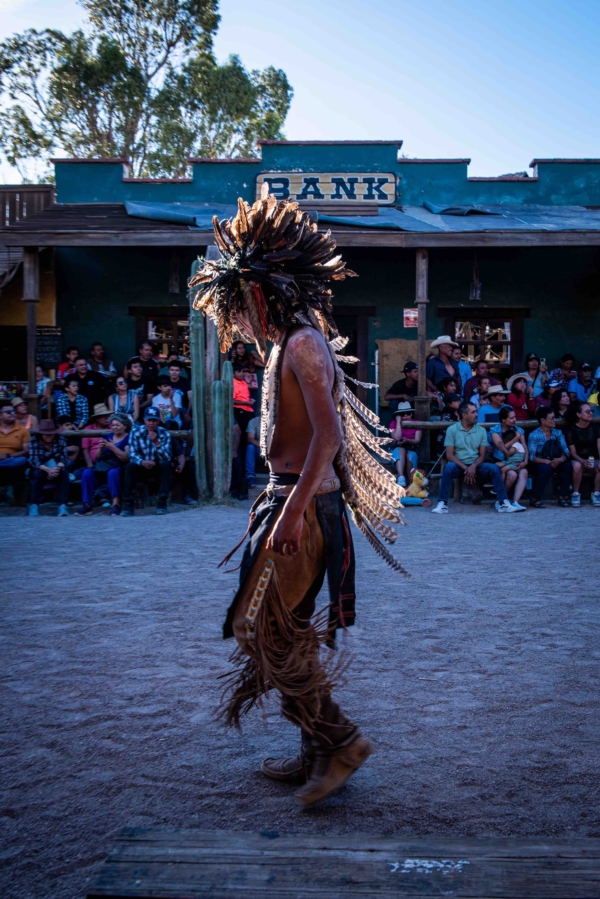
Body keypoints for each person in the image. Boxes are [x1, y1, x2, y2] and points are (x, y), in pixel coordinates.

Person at [188, 195, 403, 808]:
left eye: (243, 299)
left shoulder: (305, 344)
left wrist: (290, 511)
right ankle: (316, 751)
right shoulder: (286, 342)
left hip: (303, 509)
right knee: (285, 630)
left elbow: (328, 437)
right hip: (293, 501)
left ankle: (340, 741)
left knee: (258, 627)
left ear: (260, 291)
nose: (242, 315)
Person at [431, 401, 517, 514]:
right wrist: (466, 468)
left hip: (477, 465)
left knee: (494, 469)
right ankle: (442, 504)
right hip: (459, 465)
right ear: (464, 415)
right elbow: (449, 455)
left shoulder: (481, 431)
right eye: (473, 412)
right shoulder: (452, 430)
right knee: (448, 468)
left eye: (476, 411)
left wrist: (473, 466)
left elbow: (482, 455)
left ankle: (503, 503)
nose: (476, 414)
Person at [76, 413, 131, 516]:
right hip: (103, 467)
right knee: (87, 473)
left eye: (117, 425)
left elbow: (126, 457)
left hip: (119, 468)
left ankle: (116, 504)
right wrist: (100, 448)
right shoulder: (107, 436)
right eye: (113, 425)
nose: (114, 427)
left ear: (125, 426)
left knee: (113, 473)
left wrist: (113, 448)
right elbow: (97, 457)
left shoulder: (128, 438)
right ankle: (87, 505)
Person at [122, 407, 173, 516]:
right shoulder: (136, 432)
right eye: (149, 420)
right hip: (141, 466)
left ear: (158, 421)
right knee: (130, 466)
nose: (151, 423)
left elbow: (167, 457)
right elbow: (132, 454)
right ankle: (128, 504)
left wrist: (156, 442)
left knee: (167, 465)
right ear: (144, 420)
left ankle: (162, 503)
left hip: (157, 465)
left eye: (154, 420)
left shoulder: (164, 433)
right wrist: (142, 462)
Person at [527, 406, 572, 508]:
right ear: (543, 420)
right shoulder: (534, 435)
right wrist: (546, 461)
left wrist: (560, 459)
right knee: (546, 469)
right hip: (539, 462)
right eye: (551, 418)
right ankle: (535, 498)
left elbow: (566, 452)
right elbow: (532, 456)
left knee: (567, 466)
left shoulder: (558, 433)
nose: (554, 420)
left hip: (557, 460)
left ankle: (563, 496)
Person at [27, 419, 70, 516]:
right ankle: (34, 505)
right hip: (41, 467)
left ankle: (63, 506)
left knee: (64, 474)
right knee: (37, 474)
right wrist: (47, 470)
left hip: (56, 466)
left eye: (51, 434)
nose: (48, 437)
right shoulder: (34, 441)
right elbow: (34, 460)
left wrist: (57, 468)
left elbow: (64, 458)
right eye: (46, 434)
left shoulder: (60, 439)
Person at [489, 406, 529, 511]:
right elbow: (502, 448)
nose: (514, 420)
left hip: (517, 460)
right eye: (511, 418)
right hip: (501, 459)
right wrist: (516, 438)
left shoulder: (519, 430)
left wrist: (525, 461)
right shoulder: (495, 430)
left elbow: (524, 446)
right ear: (503, 419)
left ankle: (515, 502)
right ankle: (502, 500)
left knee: (524, 472)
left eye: (515, 417)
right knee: (512, 474)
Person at [565, 401, 600, 507]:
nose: (590, 413)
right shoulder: (571, 430)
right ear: (578, 414)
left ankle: (596, 493)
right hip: (578, 458)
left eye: (591, 411)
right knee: (577, 466)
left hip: (593, 458)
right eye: (587, 411)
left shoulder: (596, 428)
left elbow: (599, 446)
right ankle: (575, 493)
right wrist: (582, 461)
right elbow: (573, 453)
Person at [0, 402, 30, 495]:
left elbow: (26, 450)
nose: (12, 413)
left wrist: (8, 456)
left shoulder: (22, 430)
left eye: (13, 411)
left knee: (22, 460)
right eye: (8, 412)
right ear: (0, 415)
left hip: (13, 460)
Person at [390, 402, 422, 486]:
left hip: (412, 447)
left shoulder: (417, 422)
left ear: (412, 414)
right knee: (400, 450)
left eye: (408, 413)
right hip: (397, 447)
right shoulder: (393, 423)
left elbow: (417, 440)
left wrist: (407, 440)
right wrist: (398, 422)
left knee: (409, 456)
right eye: (402, 414)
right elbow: (396, 438)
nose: (406, 416)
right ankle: (401, 478)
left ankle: (412, 483)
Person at [245, 415, 261, 488]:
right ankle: (250, 477)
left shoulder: (277, 421)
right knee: (250, 447)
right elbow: (250, 439)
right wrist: (263, 446)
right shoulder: (254, 421)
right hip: (260, 449)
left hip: (275, 450)